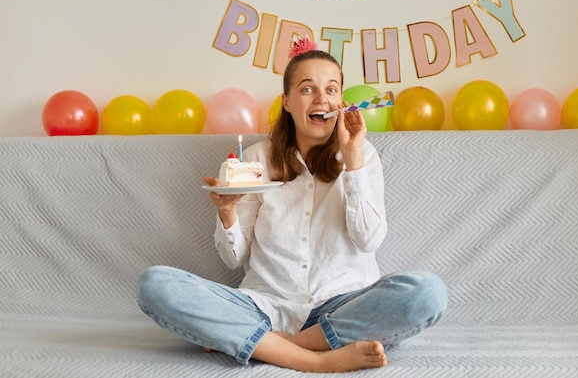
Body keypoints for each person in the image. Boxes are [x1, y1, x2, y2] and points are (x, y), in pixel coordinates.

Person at [136, 39, 448, 373]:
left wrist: (353, 162)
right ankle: (315, 358)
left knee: (427, 293)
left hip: (341, 305)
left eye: (331, 89)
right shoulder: (257, 159)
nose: (321, 99)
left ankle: (274, 344)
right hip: (264, 305)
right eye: (307, 89)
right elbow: (233, 258)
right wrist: (226, 212)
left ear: (341, 102)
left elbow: (369, 240)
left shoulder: (363, 155)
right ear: (286, 101)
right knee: (155, 284)